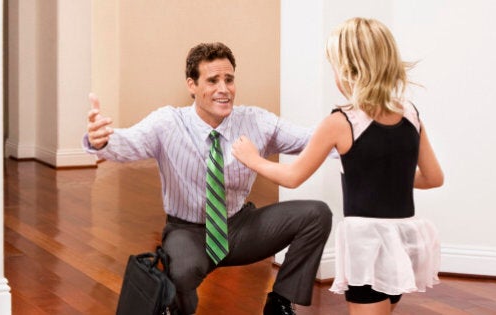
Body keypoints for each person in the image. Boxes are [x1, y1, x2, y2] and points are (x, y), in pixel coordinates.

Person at [84, 42, 332, 315]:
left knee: (316, 214)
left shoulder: (255, 121)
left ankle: (280, 303)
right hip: (187, 231)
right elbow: (128, 142)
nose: (223, 89)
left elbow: (313, 141)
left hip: (239, 226)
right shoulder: (168, 123)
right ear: (192, 85)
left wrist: (349, 124)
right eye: (212, 80)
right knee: (181, 274)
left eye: (229, 79)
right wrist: (101, 141)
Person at [232, 18, 444, 315]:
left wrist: (252, 159)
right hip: (404, 240)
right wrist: (387, 177)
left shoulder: (342, 122)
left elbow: (292, 177)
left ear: (349, 71)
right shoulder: (410, 114)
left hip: (368, 245)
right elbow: (433, 178)